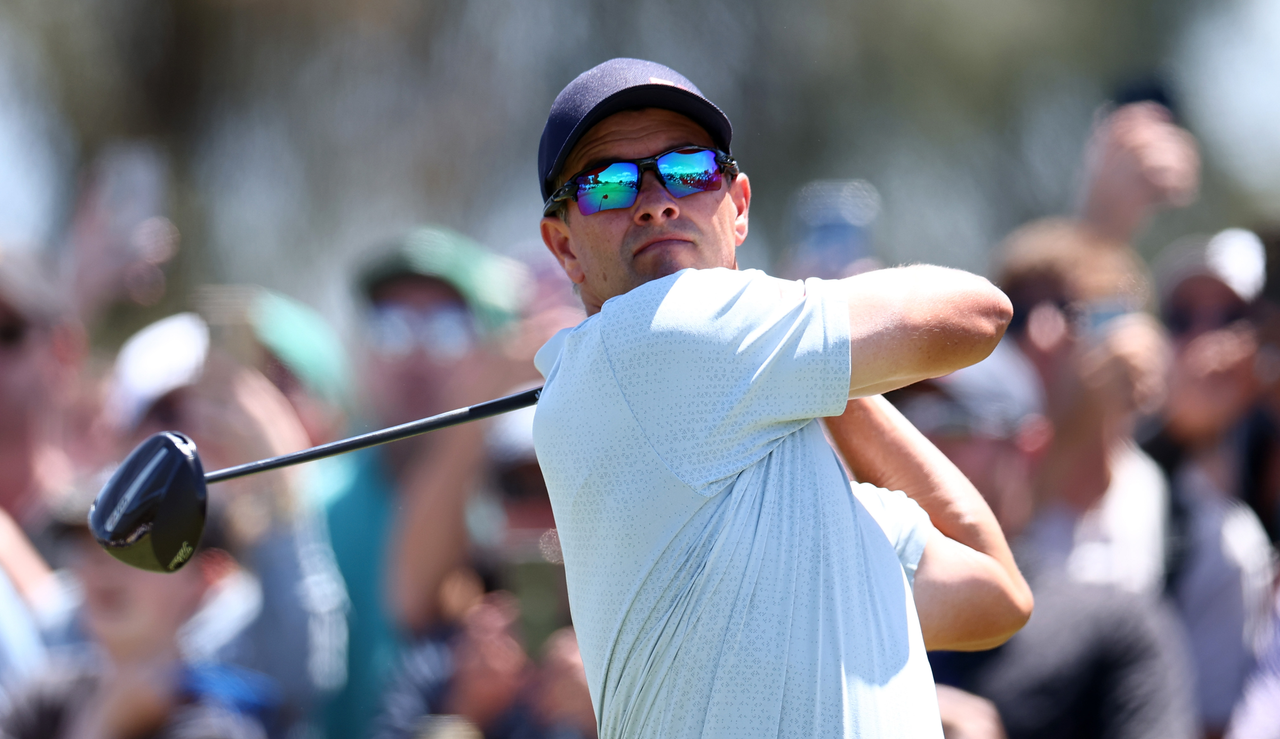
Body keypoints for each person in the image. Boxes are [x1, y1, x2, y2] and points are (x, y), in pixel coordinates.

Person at [531, 58, 1032, 738]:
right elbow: (978, 313)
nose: (655, 200)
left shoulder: (785, 477)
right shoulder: (658, 333)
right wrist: (807, 354)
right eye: (608, 184)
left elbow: (997, 596)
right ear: (564, 245)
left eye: (688, 169)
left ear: (737, 206)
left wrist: (814, 376)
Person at [894, 342, 1197, 739]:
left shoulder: (1115, 627)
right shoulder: (834, 608)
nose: (915, 441)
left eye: (954, 421)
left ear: (1027, 447)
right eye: (902, 417)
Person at [320, 227, 531, 739]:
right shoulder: (309, 504)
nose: (413, 354)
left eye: (447, 328)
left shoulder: (531, 500)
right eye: (390, 326)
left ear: (497, 348)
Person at [0, 505, 273, 739]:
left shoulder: (216, 724)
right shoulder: (43, 694)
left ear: (205, 576)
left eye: (137, 547)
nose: (104, 564)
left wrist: (103, 727)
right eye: (90, 543)